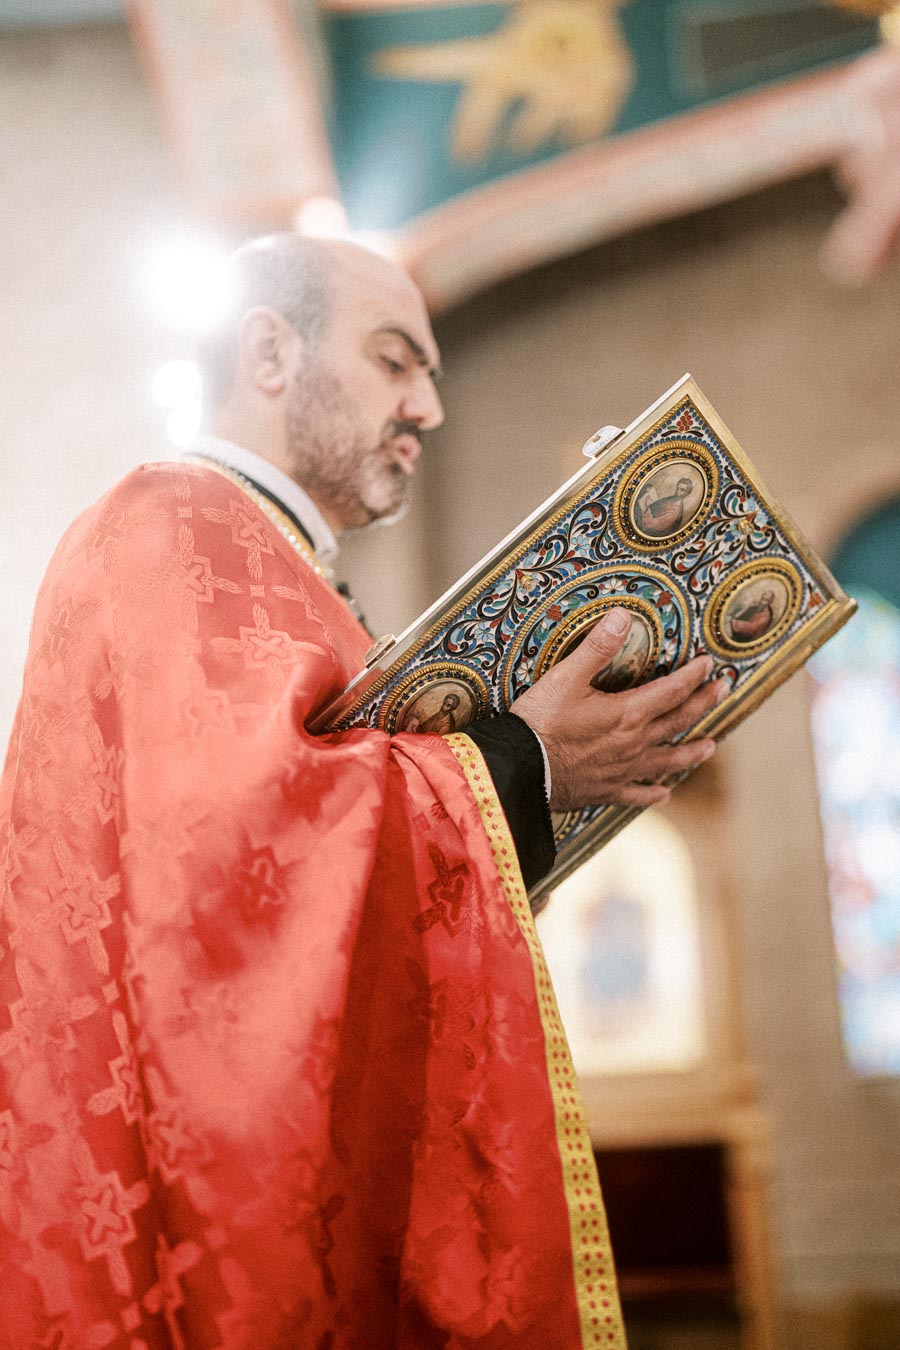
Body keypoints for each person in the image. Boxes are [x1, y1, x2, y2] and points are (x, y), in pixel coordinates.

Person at [0, 234, 724, 1349]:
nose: (429, 405)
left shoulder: (276, 558)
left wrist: (569, 738)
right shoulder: (170, 523)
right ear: (269, 351)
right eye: (396, 361)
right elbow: (233, 862)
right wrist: (523, 762)